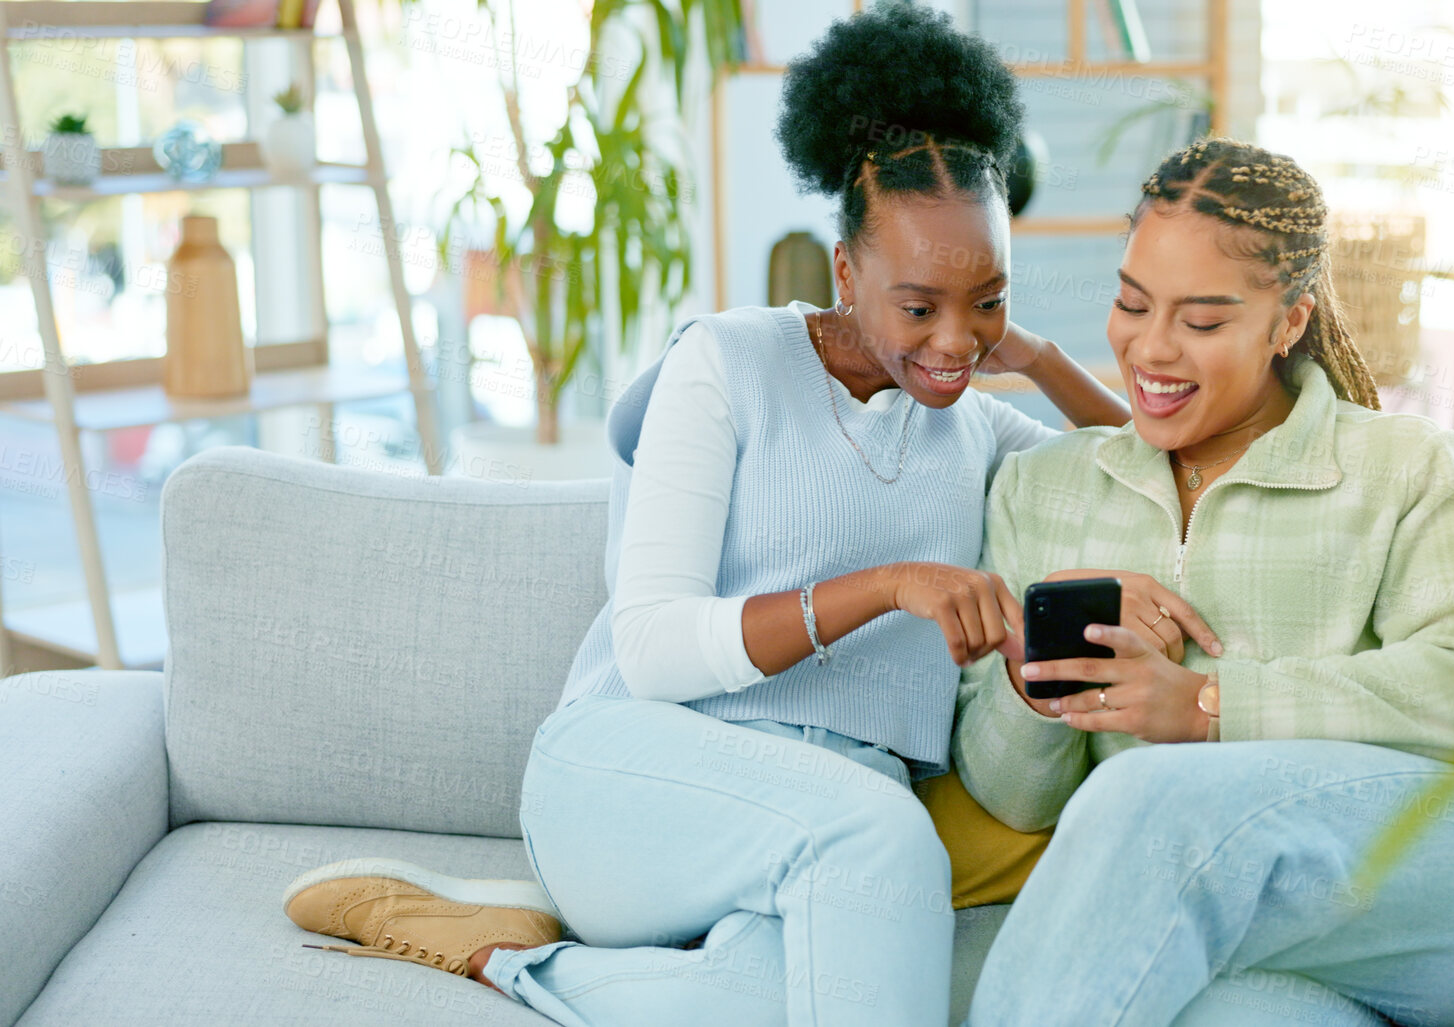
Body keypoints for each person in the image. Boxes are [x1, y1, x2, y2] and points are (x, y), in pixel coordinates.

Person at [275, 8, 1208, 1025]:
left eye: (984, 298)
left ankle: (502, 952)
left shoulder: (978, 427)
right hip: (636, 775)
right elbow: (658, 649)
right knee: (888, 841)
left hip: (821, 827)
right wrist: (892, 586)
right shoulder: (723, 363)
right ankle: (559, 916)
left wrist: (1034, 356)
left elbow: (1151, 463)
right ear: (846, 273)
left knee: (795, 990)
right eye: (919, 304)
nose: (954, 337)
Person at [952, 138, 1454, 1027]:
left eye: (1202, 322)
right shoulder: (1042, 488)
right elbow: (1012, 797)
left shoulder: (1406, 466)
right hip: (1245, 916)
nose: (1151, 348)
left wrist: (1208, 702)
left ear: (1289, 321)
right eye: (1132, 304)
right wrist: (1040, 669)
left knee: (1146, 795)